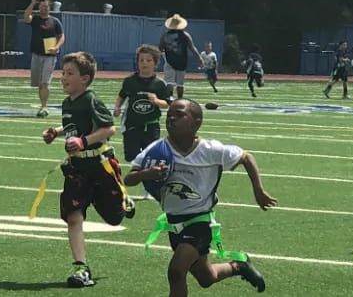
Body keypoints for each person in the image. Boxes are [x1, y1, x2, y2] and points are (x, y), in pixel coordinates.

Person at [124, 98, 278, 296]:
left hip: (200, 221)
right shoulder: (157, 149)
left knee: (176, 272)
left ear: (196, 122)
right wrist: (147, 174)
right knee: (207, 277)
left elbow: (245, 157)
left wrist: (258, 190)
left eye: (179, 115)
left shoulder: (210, 150)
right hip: (174, 222)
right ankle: (239, 266)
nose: (171, 118)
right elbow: (129, 178)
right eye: (169, 114)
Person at [42, 51, 135, 287]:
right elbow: (72, 126)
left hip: (100, 166)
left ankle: (124, 200)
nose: (63, 77)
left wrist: (83, 142)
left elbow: (109, 129)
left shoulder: (90, 99)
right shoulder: (67, 102)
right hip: (77, 169)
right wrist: (56, 132)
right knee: (73, 217)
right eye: (63, 72)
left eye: (70, 73)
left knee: (114, 218)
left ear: (84, 79)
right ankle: (81, 267)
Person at [113, 44, 170, 162]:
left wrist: (157, 101)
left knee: (151, 156)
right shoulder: (130, 81)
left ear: (155, 63)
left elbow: (167, 103)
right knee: (131, 155)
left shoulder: (159, 84)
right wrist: (117, 107)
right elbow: (122, 96)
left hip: (151, 126)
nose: (144, 63)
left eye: (148, 60)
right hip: (132, 124)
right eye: (141, 60)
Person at [24, 0, 65, 118]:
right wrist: (32, 3)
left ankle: (44, 106)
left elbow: (62, 36)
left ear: (49, 8)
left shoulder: (54, 21)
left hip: (49, 56)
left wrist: (56, 47)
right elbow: (26, 17)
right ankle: (42, 105)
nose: (44, 8)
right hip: (36, 55)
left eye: (46, 6)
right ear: (39, 7)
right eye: (42, 6)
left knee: (45, 82)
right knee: (39, 83)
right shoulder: (35, 19)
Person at [159, 14, 204, 99]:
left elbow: (160, 48)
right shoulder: (185, 35)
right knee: (180, 83)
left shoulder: (165, 35)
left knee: (169, 81)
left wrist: (157, 57)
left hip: (169, 60)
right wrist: (199, 57)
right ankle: (180, 99)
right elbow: (192, 47)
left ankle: (170, 98)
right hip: (182, 61)